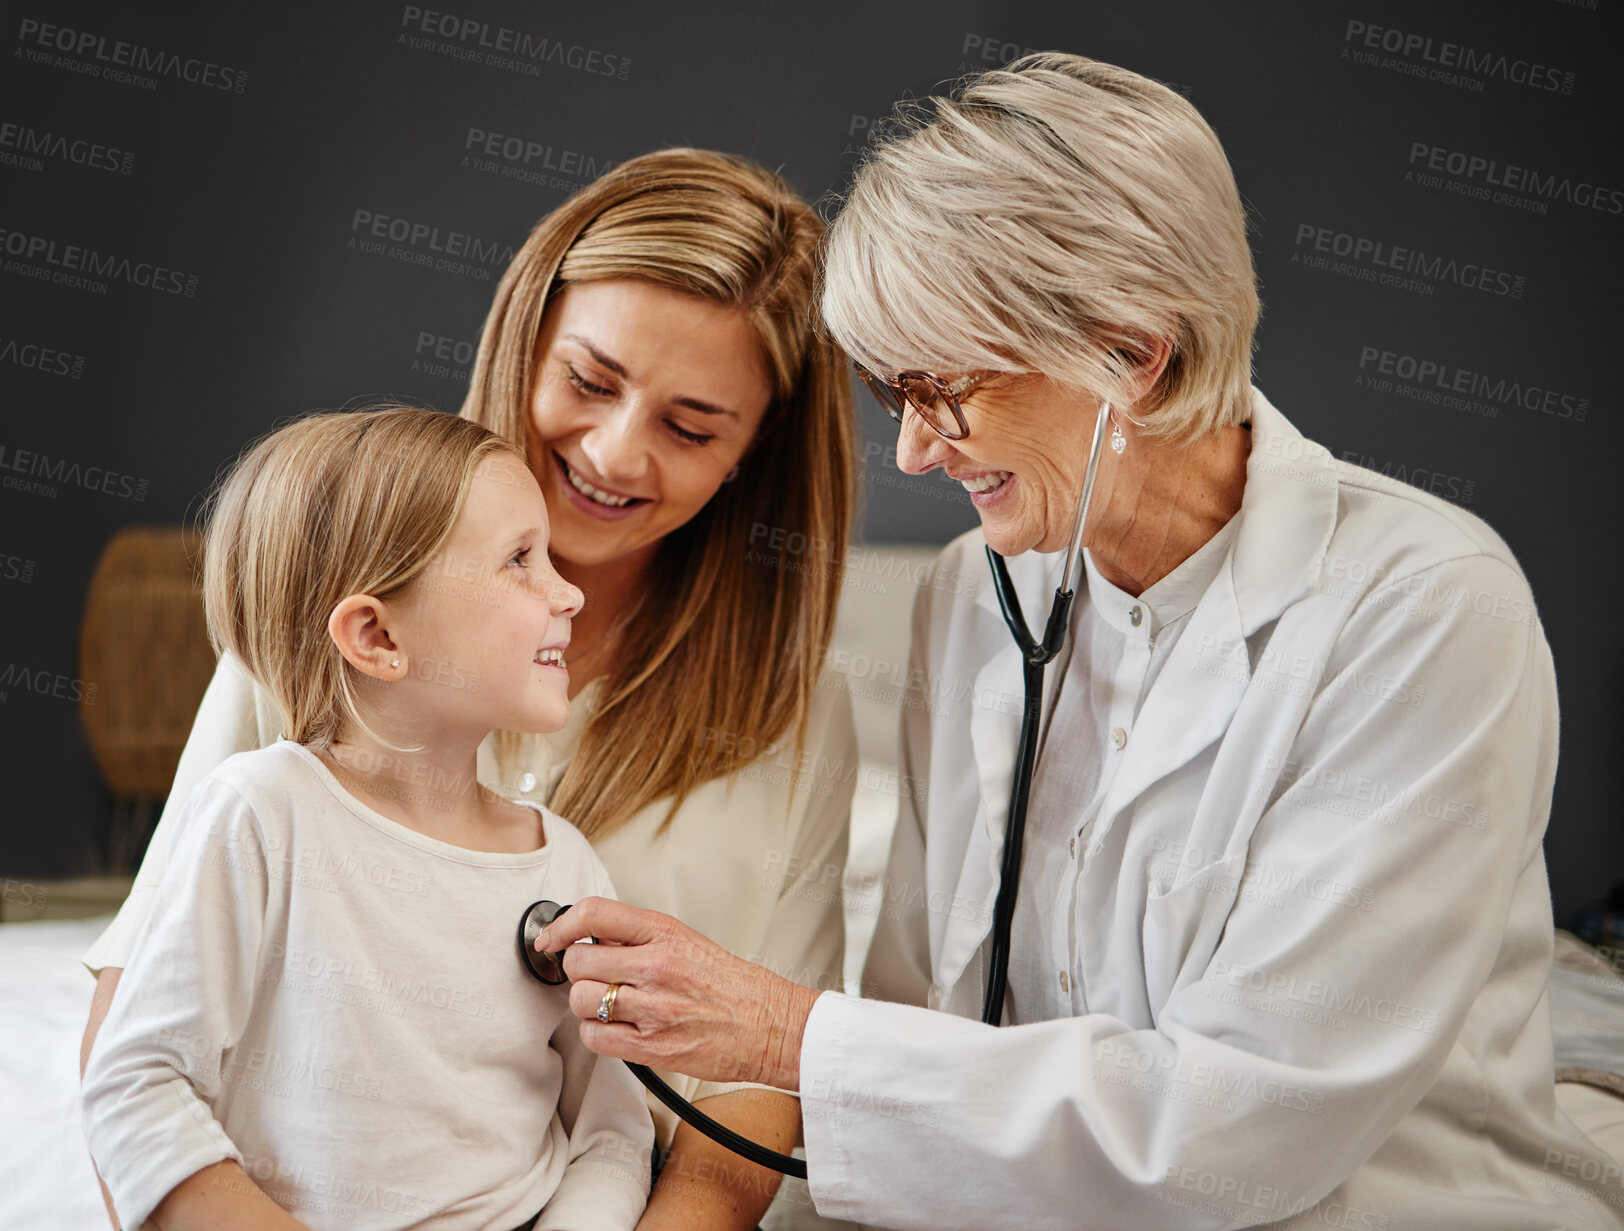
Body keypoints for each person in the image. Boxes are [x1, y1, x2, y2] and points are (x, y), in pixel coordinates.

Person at [527, 55, 1624, 1229]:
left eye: (947, 390)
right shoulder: (974, 592)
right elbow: (917, 1016)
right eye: (895, 395)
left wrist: (782, 1029)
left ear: (1132, 353)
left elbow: (1247, 1128)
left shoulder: (1421, 609)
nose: (912, 453)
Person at [80, 149, 859, 1231]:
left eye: (690, 427)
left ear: (753, 451)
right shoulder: (319, 635)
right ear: (524, 338)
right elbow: (135, 1031)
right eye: (588, 380)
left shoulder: (791, 717)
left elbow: (745, 1092)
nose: (614, 452)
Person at [81, 408, 655, 1230]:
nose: (570, 591)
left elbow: (612, 1129)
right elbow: (137, 1080)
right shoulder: (260, 814)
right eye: (520, 560)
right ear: (379, 635)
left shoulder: (561, 863)